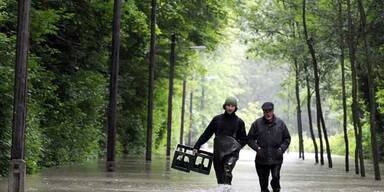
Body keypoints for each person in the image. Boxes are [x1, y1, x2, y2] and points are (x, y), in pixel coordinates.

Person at [193, 96, 247, 191]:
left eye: (232, 106)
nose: (230, 108)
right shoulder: (217, 120)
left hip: (232, 154)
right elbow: (207, 134)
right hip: (218, 153)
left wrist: (237, 148)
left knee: (227, 171)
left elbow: (244, 139)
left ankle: (227, 189)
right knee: (220, 178)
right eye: (228, 105)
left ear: (235, 108)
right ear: (225, 106)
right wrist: (197, 146)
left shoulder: (239, 122)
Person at [248, 102, 291, 192]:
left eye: (269, 111)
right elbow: (249, 139)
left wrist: (281, 149)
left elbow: (287, 138)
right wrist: (257, 148)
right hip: (261, 159)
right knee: (263, 187)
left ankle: (275, 186)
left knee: (275, 179)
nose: (268, 113)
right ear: (263, 112)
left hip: (276, 157)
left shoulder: (280, 123)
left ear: (273, 111)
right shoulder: (257, 124)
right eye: (265, 111)